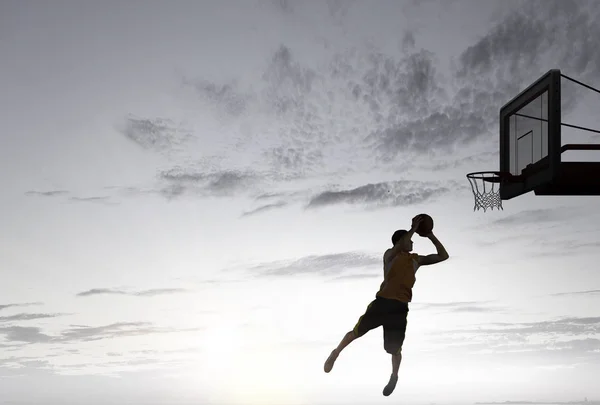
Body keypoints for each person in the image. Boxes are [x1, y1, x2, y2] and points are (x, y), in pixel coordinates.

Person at [323, 214, 449, 396]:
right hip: (382, 303)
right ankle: (335, 353)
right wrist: (413, 228)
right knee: (356, 332)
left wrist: (429, 234)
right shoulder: (390, 255)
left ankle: (394, 376)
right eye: (409, 240)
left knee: (395, 349)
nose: (412, 243)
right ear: (400, 241)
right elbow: (401, 244)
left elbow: (443, 256)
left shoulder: (416, 260)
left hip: (400, 308)